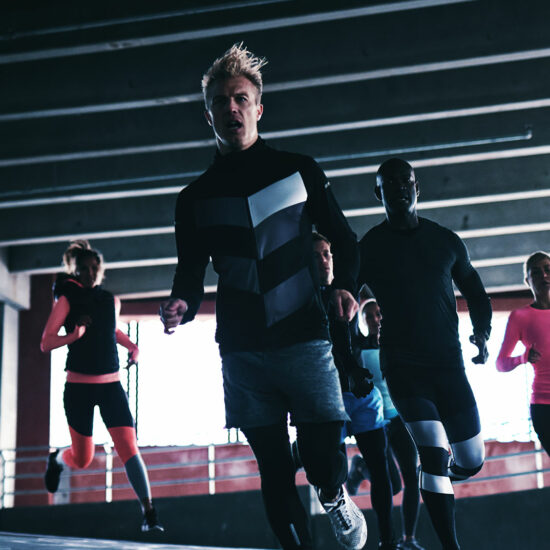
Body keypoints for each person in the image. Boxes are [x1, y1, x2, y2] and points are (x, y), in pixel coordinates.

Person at [159, 44, 367, 550]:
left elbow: (345, 239)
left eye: (241, 99)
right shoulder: (194, 198)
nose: (231, 108)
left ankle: (333, 494)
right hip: (242, 348)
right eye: (220, 101)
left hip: (305, 337)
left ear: (258, 108)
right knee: (273, 468)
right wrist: (181, 303)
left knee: (321, 460)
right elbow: (191, 271)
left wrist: (343, 285)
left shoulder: (300, 171)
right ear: (208, 114)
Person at [358, 158, 492, 550]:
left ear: (417, 188)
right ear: (379, 193)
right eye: (390, 183)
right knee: (432, 456)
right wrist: (348, 359)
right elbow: (344, 300)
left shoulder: (445, 241)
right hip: (403, 367)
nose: (400, 188)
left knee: (471, 461)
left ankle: (436, 477)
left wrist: (482, 333)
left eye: (407, 181)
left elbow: (475, 290)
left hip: (448, 366)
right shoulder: (370, 247)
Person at [41, 240, 162, 533]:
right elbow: (46, 342)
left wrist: (133, 347)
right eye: (84, 269)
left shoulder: (111, 301)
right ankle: (58, 458)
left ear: (101, 270)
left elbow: (111, 330)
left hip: (111, 387)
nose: (90, 273)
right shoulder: (66, 300)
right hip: (78, 389)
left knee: (129, 448)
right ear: (75, 271)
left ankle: (149, 514)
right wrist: (74, 335)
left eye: (94, 268)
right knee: (83, 459)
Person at [312, 233, 398, 550]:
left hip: (361, 398)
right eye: (316, 255)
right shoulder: (301, 298)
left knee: (382, 470)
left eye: (327, 253)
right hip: (325, 399)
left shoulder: (347, 290)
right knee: (328, 471)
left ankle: (389, 541)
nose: (323, 260)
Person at [349, 299, 425, 550]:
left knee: (412, 477)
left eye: (379, 314)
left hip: (399, 418)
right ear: (363, 321)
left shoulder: (398, 344)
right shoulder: (357, 347)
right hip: (374, 421)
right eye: (369, 316)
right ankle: (361, 467)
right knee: (392, 487)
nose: (375, 319)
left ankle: (409, 539)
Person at [496, 251, 550, 457]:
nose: (544, 275)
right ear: (527, 280)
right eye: (536, 272)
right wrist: (523, 358)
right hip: (544, 407)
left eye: (548, 270)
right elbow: (501, 363)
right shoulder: (520, 317)